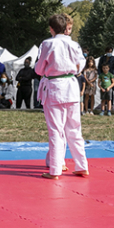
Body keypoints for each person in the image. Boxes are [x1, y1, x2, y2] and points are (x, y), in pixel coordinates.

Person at [35, 14, 89, 179]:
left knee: (56, 130)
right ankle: (82, 166)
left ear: (51, 28)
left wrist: (46, 70)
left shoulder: (47, 43)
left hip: (55, 88)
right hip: (72, 87)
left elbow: (39, 68)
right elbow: (81, 65)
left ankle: (55, 170)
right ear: (65, 27)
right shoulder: (74, 44)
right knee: (74, 129)